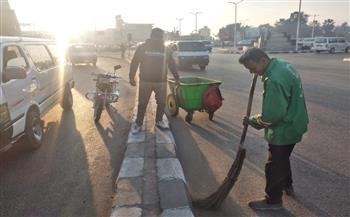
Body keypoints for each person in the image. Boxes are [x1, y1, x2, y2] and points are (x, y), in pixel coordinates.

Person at [239, 48, 309, 210]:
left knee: (274, 164)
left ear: (263, 61)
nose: (252, 73)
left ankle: (273, 201)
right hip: (296, 122)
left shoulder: (274, 79)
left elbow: (271, 116)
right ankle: (287, 184)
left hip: (284, 128)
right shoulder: (284, 66)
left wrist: (251, 120)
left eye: (253, 68)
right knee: (283, 157)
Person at [129, 28, 180, 134]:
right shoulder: (142, 47)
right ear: (152, 36)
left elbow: (171, 64)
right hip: (145, 81)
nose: (158, 39)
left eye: (160, 37)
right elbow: (134, 62)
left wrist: (177, 77)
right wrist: (131, 77)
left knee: (161, 103)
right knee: (142, 103)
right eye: (157, 36)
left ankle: (159, 121)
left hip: (160, 82)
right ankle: (138, 124)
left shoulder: (166, 49)